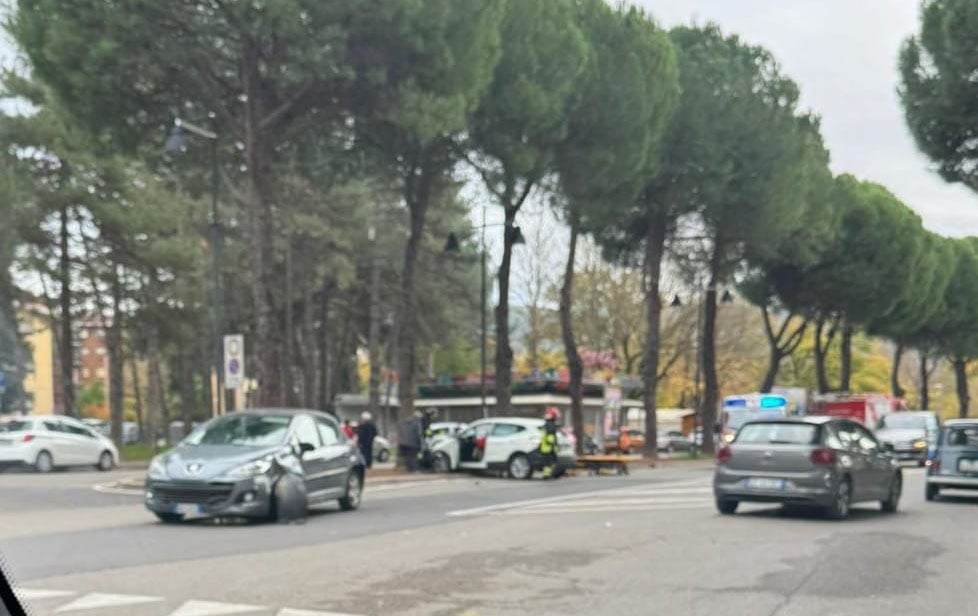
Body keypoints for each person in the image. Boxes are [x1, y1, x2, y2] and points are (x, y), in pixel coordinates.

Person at [539, 407, 562, 479]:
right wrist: (554, 445)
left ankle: (547, 474)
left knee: (547, 462)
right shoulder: (550, 424)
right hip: (549, 447)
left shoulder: (546, 424)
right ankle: (548, 474)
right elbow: (551, 436)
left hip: (545, 447)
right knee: (550, 462)